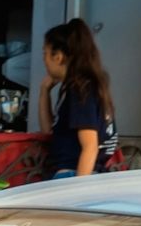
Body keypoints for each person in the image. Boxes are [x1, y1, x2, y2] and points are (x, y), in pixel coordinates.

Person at [38, 17, 120, 178]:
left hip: (73, 174)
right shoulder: (87, 86)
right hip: (83, 173)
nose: (44, 59)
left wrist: (79, 190)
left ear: (58, 56)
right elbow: (48, 130)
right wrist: (44, 92)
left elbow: (90, 146)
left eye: (45, 53)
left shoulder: (81, 89)